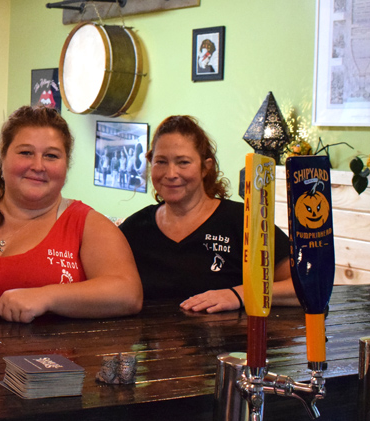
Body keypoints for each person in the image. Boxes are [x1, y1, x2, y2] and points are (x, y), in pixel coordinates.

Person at [0, 105, 142, 323]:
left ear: (66, 165)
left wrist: (46, 296)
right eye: (26, 153)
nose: (38, 165)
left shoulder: (87, 224)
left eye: (51, 156)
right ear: (3, 157)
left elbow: (128, 294)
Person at [119, 115, 299, 313]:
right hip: (152, 342)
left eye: (183, 162)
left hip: (229, 342)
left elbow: (302, 287)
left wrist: (239, 294)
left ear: (206, 167)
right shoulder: (134, 230)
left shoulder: (243, 221)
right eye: (161, 162)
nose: (170, 174)